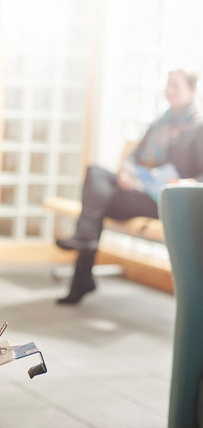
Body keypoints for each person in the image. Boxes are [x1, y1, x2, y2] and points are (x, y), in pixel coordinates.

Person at [55, 70, 200, 305]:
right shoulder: (159, 123)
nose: (169, 90)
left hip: (159, 197)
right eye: (168, 84)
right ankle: (86, 245)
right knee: (95, 173)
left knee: (96, 202)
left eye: (176, 86)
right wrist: (127, 174)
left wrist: (180, 182)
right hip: (135, 188)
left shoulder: (197, 129)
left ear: (192, 91)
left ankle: (83, 259)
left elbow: (199, 175)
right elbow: (134, 157)